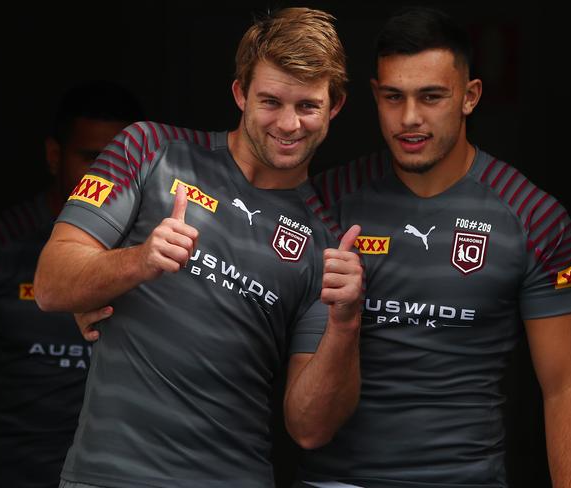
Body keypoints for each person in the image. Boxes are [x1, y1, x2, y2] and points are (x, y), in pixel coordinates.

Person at [33, 8, 363, 488]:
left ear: (335, 106)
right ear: (240, 94)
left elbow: (310, 428)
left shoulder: (327, 244)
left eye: (308, 106)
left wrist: (347, 323)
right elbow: (49, 284)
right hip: (107, 475)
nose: (290, 124)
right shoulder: (149, 150)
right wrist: (140, 260)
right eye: (270, 101)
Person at [296, 6, 571, 488]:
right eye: (393, 97)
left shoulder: (534, 217)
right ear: (374, 95)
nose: (410, 118)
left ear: (470, 96)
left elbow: (568, 386)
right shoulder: (326, 203)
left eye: (432, 96)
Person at [0, 80, 144, 488]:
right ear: (55, 156)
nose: (107, 176)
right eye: (93, 158)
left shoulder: (159, 253)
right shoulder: (1, 245)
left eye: (120, 162)